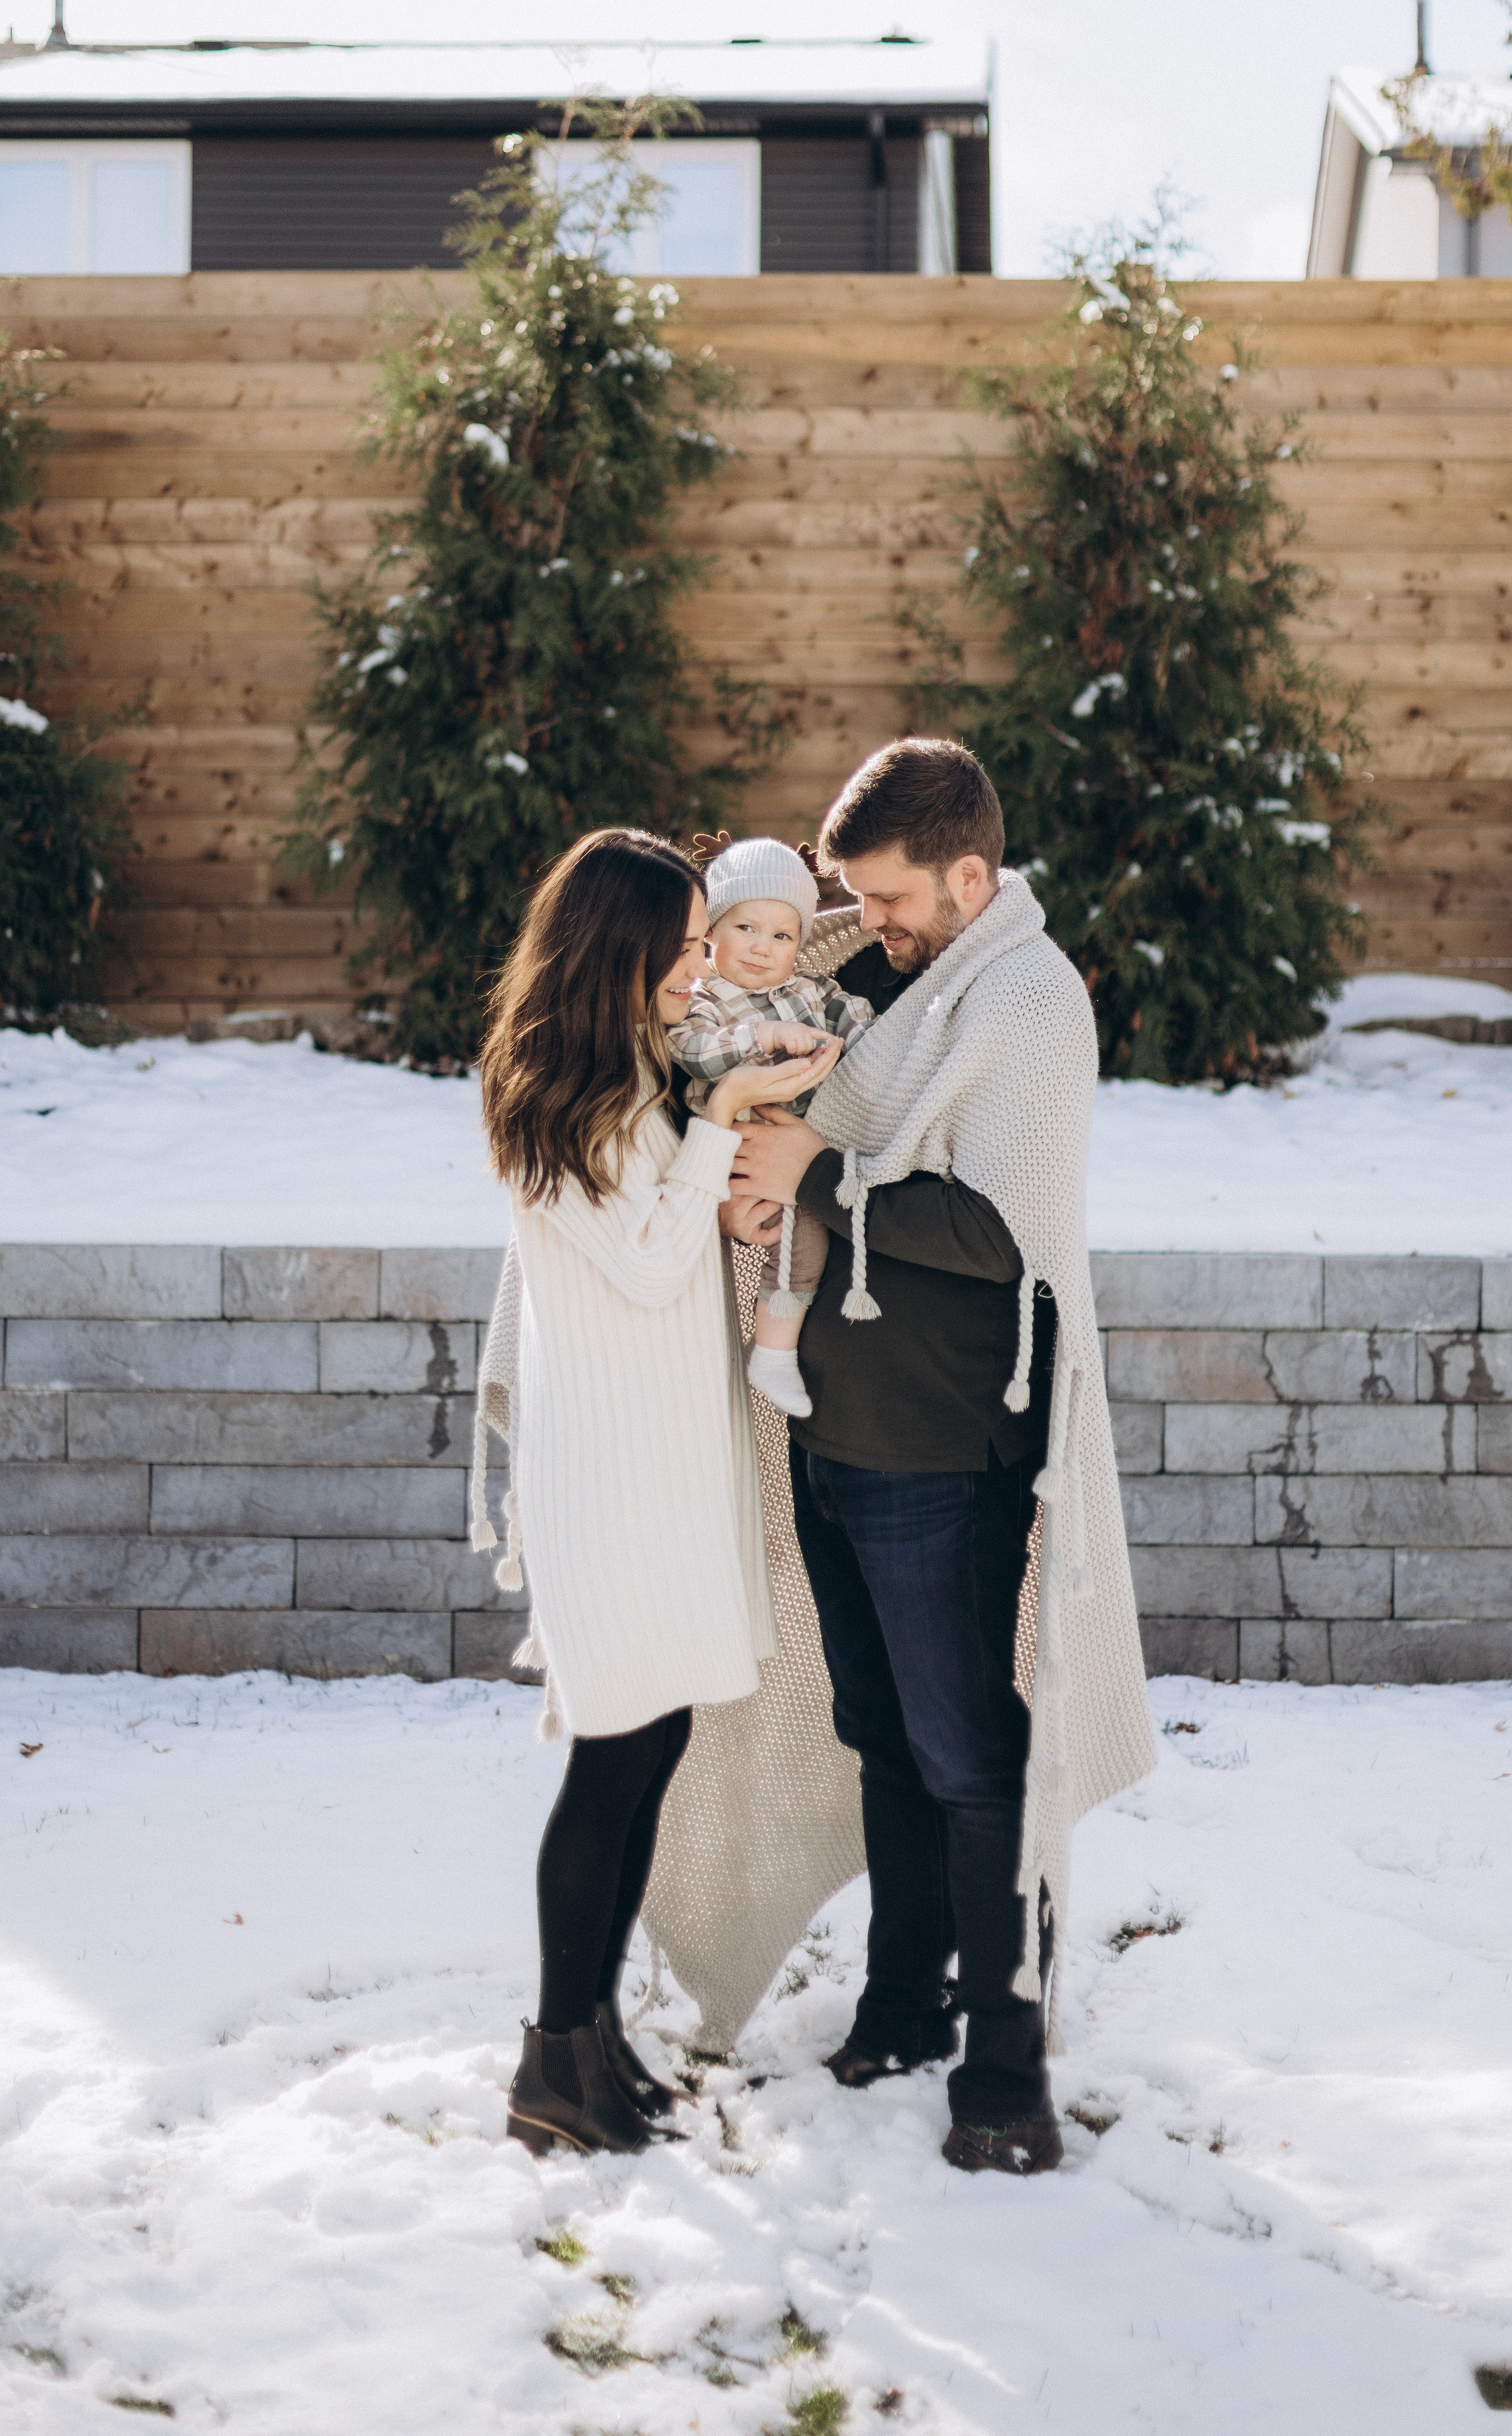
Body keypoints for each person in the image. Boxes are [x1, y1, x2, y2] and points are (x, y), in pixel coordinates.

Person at [722, 738, 1156, 2177]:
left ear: (970, 877)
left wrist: (819, 1176)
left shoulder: (1025, 1003)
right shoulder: (877, 978)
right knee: (882, 1739)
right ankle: (904, 2003)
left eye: (894, 895)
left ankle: (1007, 2068)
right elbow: (762, 959)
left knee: (971, 1754)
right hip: (834, 1423)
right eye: (859, 894)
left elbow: (1003, 1236)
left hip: (944, 1442)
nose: (872, 916)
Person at [473, 827, 839, 2158]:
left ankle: (595, 2049)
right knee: (614, 1758)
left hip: (670, 1464)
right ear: (615, 950)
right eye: (683, 946)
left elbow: (679, 1242)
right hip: (611, 1482)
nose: (701, 969)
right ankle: (551, 2065)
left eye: (703, 943)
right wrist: (723, 1124)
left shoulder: (641, 1068)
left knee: (656, 1750)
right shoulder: (556, 1094)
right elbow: (637, 1264)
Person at [666, 835, 877, 1421]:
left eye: (782, 936)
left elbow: (862, 1024)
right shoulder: (705, 1000)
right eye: (745, 929)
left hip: (810, 1140)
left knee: (817, 1231)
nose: (762, 949)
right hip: (741, 1145)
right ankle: (774, 1351)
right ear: (711, 931)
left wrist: (863, 1037)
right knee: (791, 1234)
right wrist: (761, 1039)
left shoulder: (811, 991)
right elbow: (693, 1052)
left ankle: (783, 1344)